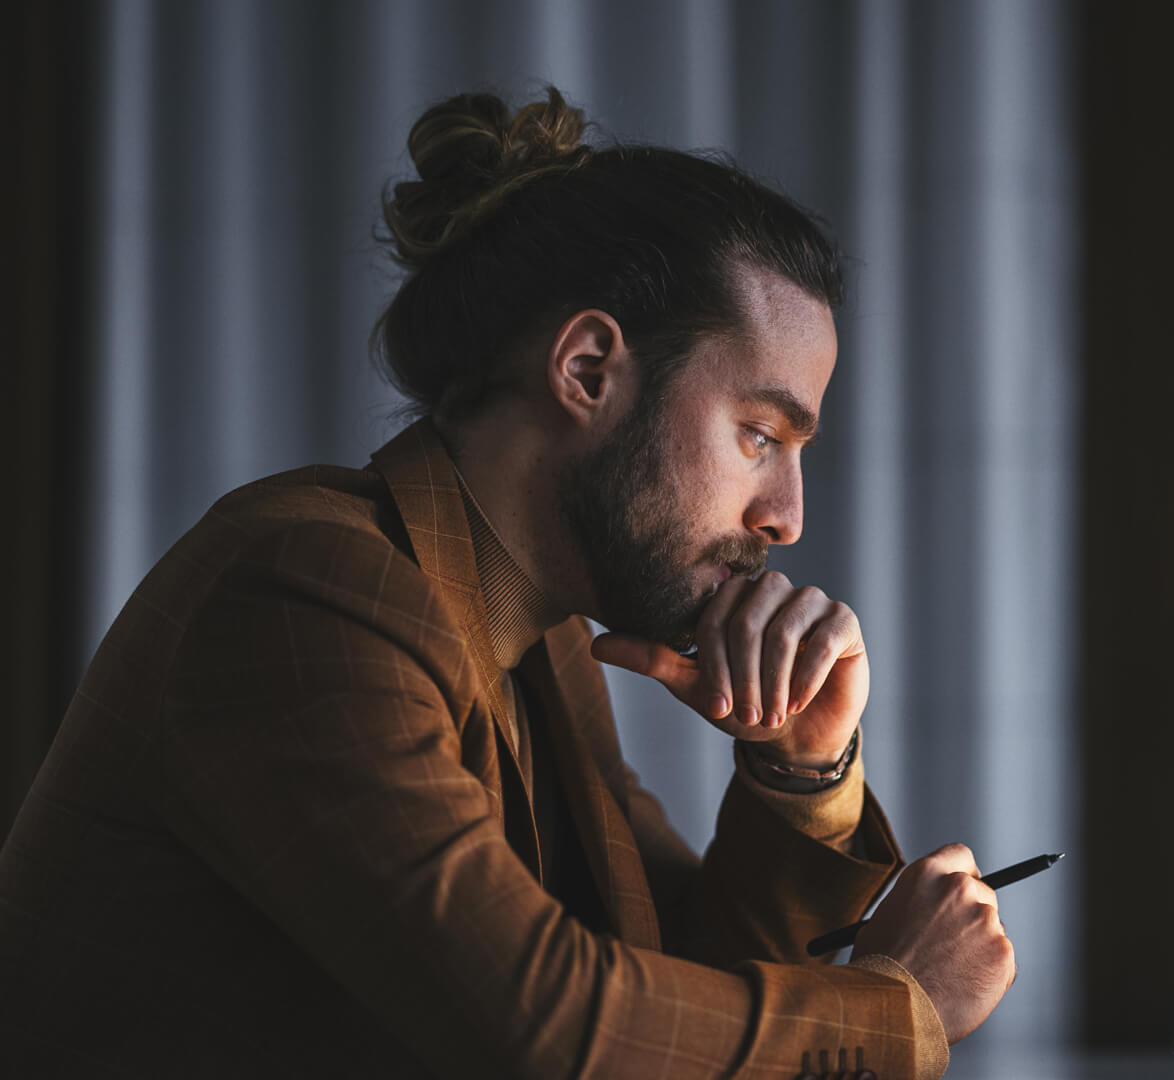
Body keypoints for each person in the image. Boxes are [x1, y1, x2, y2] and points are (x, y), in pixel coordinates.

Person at [0, 88, 1014, 1079]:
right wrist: (898, 1010)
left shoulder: (540, 648)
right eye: (758, 434)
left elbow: (676, 988)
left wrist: (802, 769)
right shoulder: (298, 587)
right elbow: (554, 1027)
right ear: (584, 371)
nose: (786, 516)